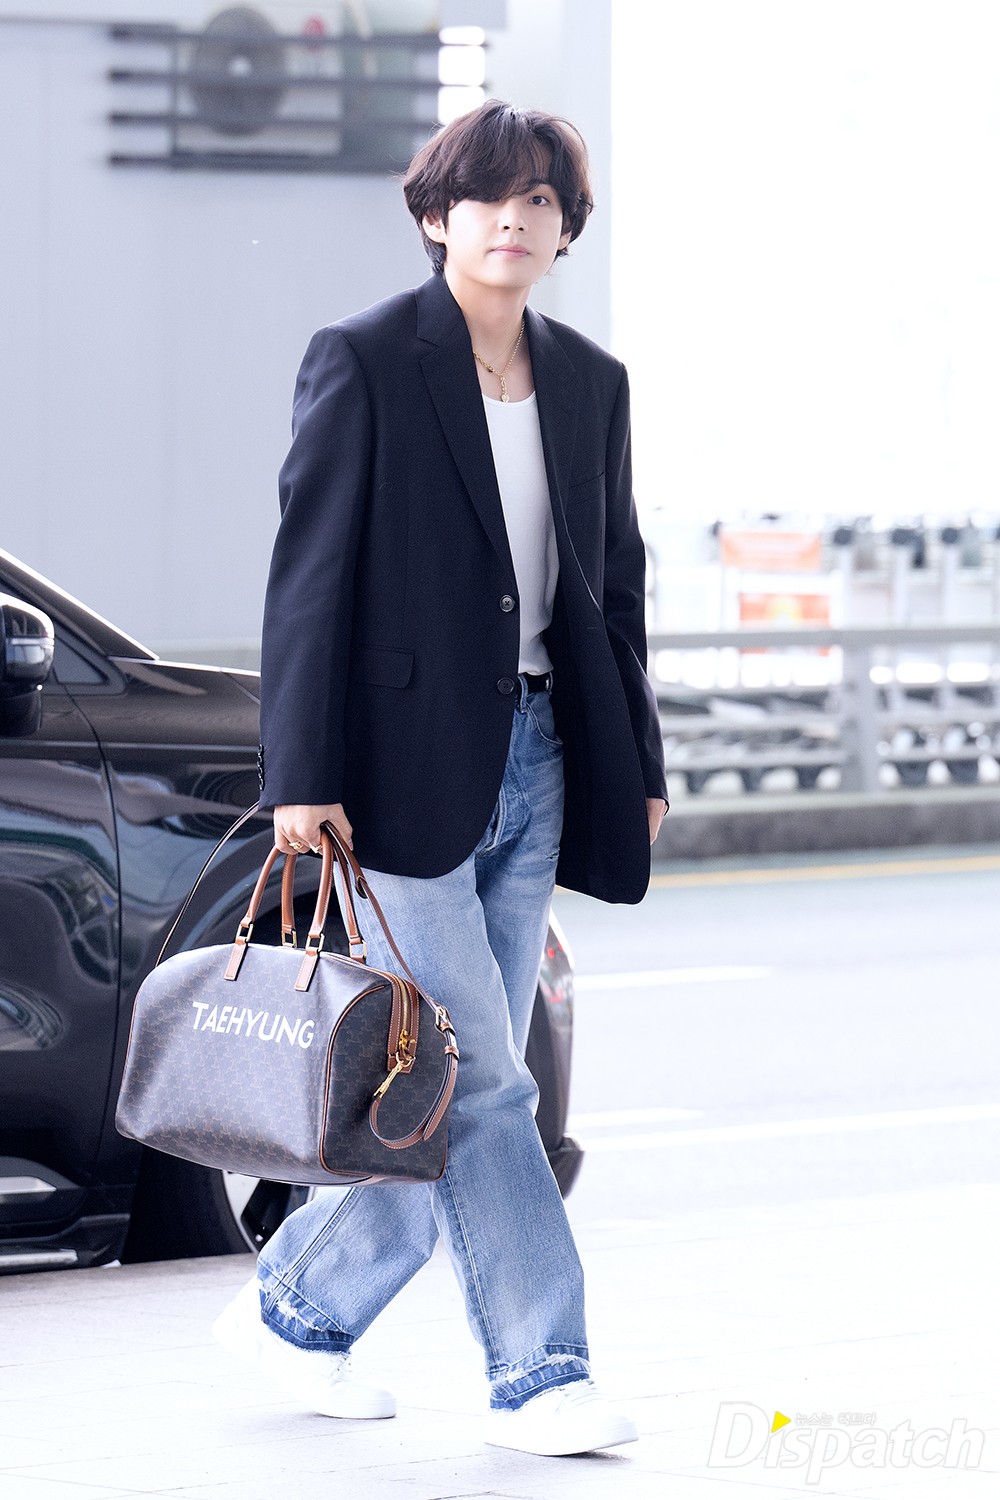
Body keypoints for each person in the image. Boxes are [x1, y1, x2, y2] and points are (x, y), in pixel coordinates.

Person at [212, 98, 668, 1458]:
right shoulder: (364, 358)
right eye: (489, 198)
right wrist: (301, 775)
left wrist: (638, 760)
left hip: (543, 754)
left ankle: (297, 1311)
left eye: (541, 202)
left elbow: (615, 587)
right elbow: (308, 581)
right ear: (436, 217)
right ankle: (542, 1373)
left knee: (453, 1074)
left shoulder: (590, 380)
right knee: (485, 1080)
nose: (514, 220)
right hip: (398, 778)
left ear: (566, 231)